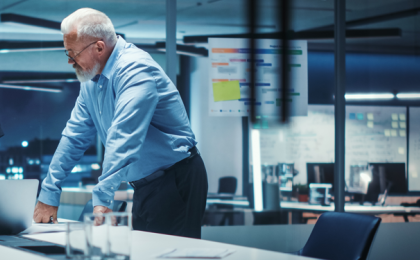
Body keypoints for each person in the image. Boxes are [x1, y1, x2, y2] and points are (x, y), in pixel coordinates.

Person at [33, 8, 208, 239]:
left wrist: (103, 199)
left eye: (73, 53)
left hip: (175, 179)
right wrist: (49, 192)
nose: (69, 60)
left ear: (98, 47)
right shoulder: (91, 81)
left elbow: (123, 138)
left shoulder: (136, 70)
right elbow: (74, 137)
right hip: (144, 184)